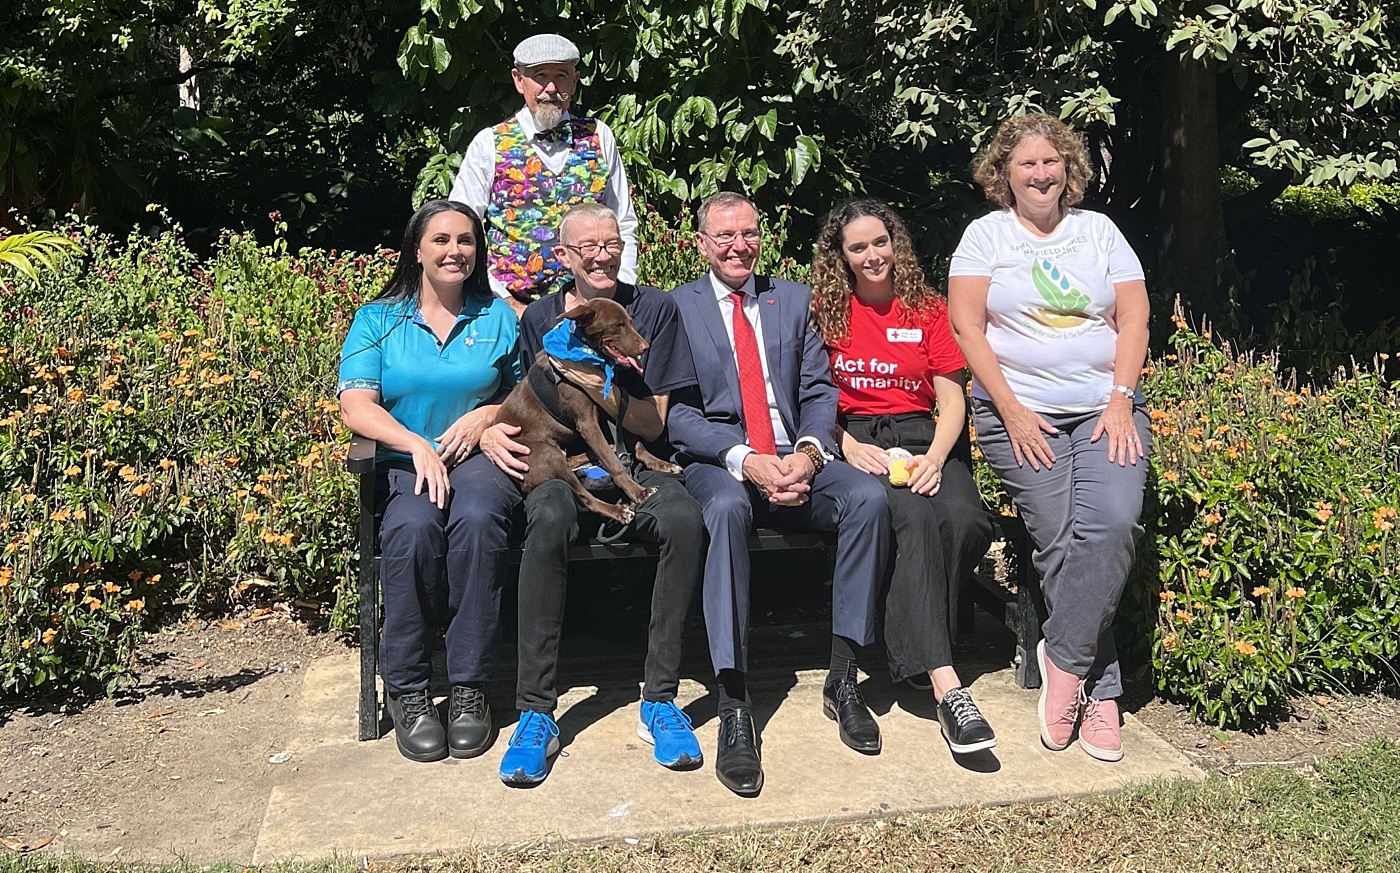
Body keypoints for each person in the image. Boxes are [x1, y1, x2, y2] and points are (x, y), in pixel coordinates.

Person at [666, 192, 891, 797]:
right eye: (724, 236)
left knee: (868, 500)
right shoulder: (678, 308)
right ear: (702, 244)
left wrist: (810, 455)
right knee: (726, 508)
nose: (739, 246)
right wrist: (748, 459)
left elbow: (820, 390)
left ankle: (844, 677)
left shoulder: (793, 299)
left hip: (799, 455)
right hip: (724, 461)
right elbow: (678, 416)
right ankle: (734, 699)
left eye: (749, 233)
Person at [947, 113, 1151, 763]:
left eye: (1051, 162)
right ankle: (1103, 693)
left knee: (1113, 524)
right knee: (1063, 538)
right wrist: (1010, 410)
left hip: (1103, 411)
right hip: (1018, 416)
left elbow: (1135, 315)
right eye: (1026, 164)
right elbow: (967, 328)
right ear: (1003, 174)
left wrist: (1120, 401)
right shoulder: (985, 238)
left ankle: (1064, 663)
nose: (1041, 174)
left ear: (1069, 168)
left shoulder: (1099, 232)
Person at [479, 202, 705, 786]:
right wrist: (484, 429)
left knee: (682, 522)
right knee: (548, 517)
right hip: (562, 463)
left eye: (612, 243)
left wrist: (592, 391)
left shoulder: (654, 306)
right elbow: (530, 399)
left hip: (636, 457)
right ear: (565, 257)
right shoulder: (542, 322)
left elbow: (654, 424)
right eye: (589, 246)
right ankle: (536, 711)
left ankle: (660, 699)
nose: (603, 254)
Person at [810, 199, 997, 756]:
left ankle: (906, 648)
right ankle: (946, 684)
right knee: (912, 517)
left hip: (924, 437)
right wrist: (846, 444)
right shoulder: (825, 309)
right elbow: (813, 395)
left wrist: (938, 458)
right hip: (857, 440)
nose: (873, 256)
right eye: (858, 247)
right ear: (840, 257)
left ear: (897, 243)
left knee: (965, 520)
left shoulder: (927, 308)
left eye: (880, 242)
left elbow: (951, 395)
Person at [338, 200, 522, 763]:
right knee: (413, 532)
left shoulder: (499, 316)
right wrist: (416, 443)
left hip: (479, 461)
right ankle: (410, 690)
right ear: (417, 250)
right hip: (404, 465)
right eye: (441, 240)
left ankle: (468, 688)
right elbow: (355, 405)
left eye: (465, 241)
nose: (454, 252)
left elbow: (524, 395)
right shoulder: (379, 318)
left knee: (477, 523)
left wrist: (483, 418)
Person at [448, 33, 639, 316]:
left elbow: (623, 220)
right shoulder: (489, 143)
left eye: (561, 75)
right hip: (507, 309)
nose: (551, 88)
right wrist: (503, 302)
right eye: (539, 75)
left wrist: (618, 292)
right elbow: (461, 229)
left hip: (590, 312)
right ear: (518, 80)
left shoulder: (599, 136)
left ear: (575, 80)